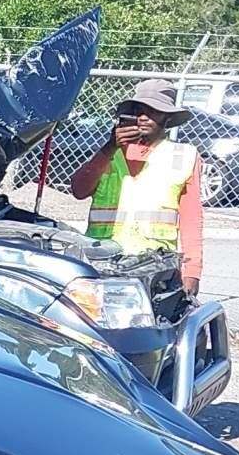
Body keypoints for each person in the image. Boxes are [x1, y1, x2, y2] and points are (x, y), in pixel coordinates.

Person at [69, 78, 203, 296]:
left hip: (155, 268)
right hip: (100, 261)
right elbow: (79, 190)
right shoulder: (110, 153)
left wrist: (192, 273)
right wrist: (109, 147)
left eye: (154, 111)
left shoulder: (184, 156)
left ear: (167, 118)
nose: (143, 117)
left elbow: (191, 220)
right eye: (138, 110)